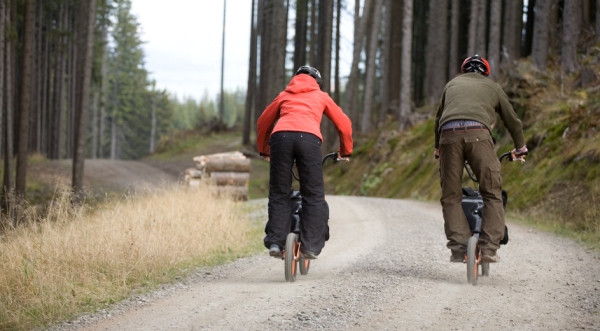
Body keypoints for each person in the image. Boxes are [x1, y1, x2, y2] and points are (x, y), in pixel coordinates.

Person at [434, 55, 528, 263]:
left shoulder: (451, 85)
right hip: (479, 135)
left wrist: (438, 148)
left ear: (463, 71)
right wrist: (520, 148)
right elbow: (513, 121)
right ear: (486, 72)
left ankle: (460, 250)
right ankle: (487, 250)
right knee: (492, 192)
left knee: (451, 196)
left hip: (448, 137)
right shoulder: (492, 86)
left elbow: (439, 119)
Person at [256, 66, 353, 259]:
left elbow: (263, 122)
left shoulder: (284, 95)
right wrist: (345, 151)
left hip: (280, 138)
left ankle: (276, 241)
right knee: (313, 194)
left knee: (279, 192)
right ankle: (310, 247)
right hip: (308, 139)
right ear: (317, 82)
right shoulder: (321, 96)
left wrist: (264, 150)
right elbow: (343, 124)